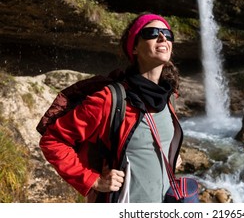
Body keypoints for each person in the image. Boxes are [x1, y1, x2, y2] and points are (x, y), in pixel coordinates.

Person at [39, 13, 183, 202]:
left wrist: (172, 153)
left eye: (167, 34)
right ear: (134, 48)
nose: (163, 37)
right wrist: (93, 180)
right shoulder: (110, 98)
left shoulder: (169, 96)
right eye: (152, 33)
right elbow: (53, 140)